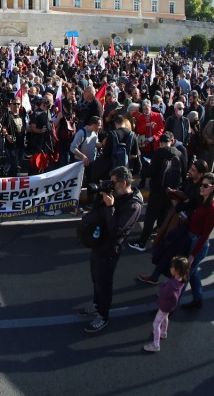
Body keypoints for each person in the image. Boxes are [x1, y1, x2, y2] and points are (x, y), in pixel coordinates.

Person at [78, 166, 143, 333]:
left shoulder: (133, 206)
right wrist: (103, 197)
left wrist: (109, 207)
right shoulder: (117, 195)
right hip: (99, 244)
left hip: (109, 250)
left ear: (122, 183)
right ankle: (96, 305)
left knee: (104, 284)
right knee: (96, 278)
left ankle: (103, 316)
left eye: (113, 183)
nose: (110, 185)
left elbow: (116, 231)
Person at [130, 133, 181, 252]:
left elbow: (150, 172)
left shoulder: (159, 153)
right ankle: (160, 237)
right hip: (171, 191)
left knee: (150, 217)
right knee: (163, 216)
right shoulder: (179, 153)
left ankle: (142, 242)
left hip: (157, 190)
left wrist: (145, 168)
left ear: (161, 144)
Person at [180, 172, 214, 310]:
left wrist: (192, 255)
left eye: (205, 185)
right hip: (192, 238)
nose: (201, 188)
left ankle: (171, 306)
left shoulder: (213, 208)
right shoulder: (203, 200)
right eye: (201, 185)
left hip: (198, 244)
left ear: (213, 187)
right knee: (193, 273)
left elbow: (205, 235)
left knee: (184, 276)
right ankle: (198, 300)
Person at [142, 256, 190, 354]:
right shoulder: (182, 280)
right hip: (170, 306)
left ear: (177, 270)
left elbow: (163, 293)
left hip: (164, 305)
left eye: (172, 268)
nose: (170, 269)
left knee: (156, 324)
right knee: (165, 317)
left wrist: (164, 285)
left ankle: (156, 345)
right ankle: (163, 332)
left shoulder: (171, 284)